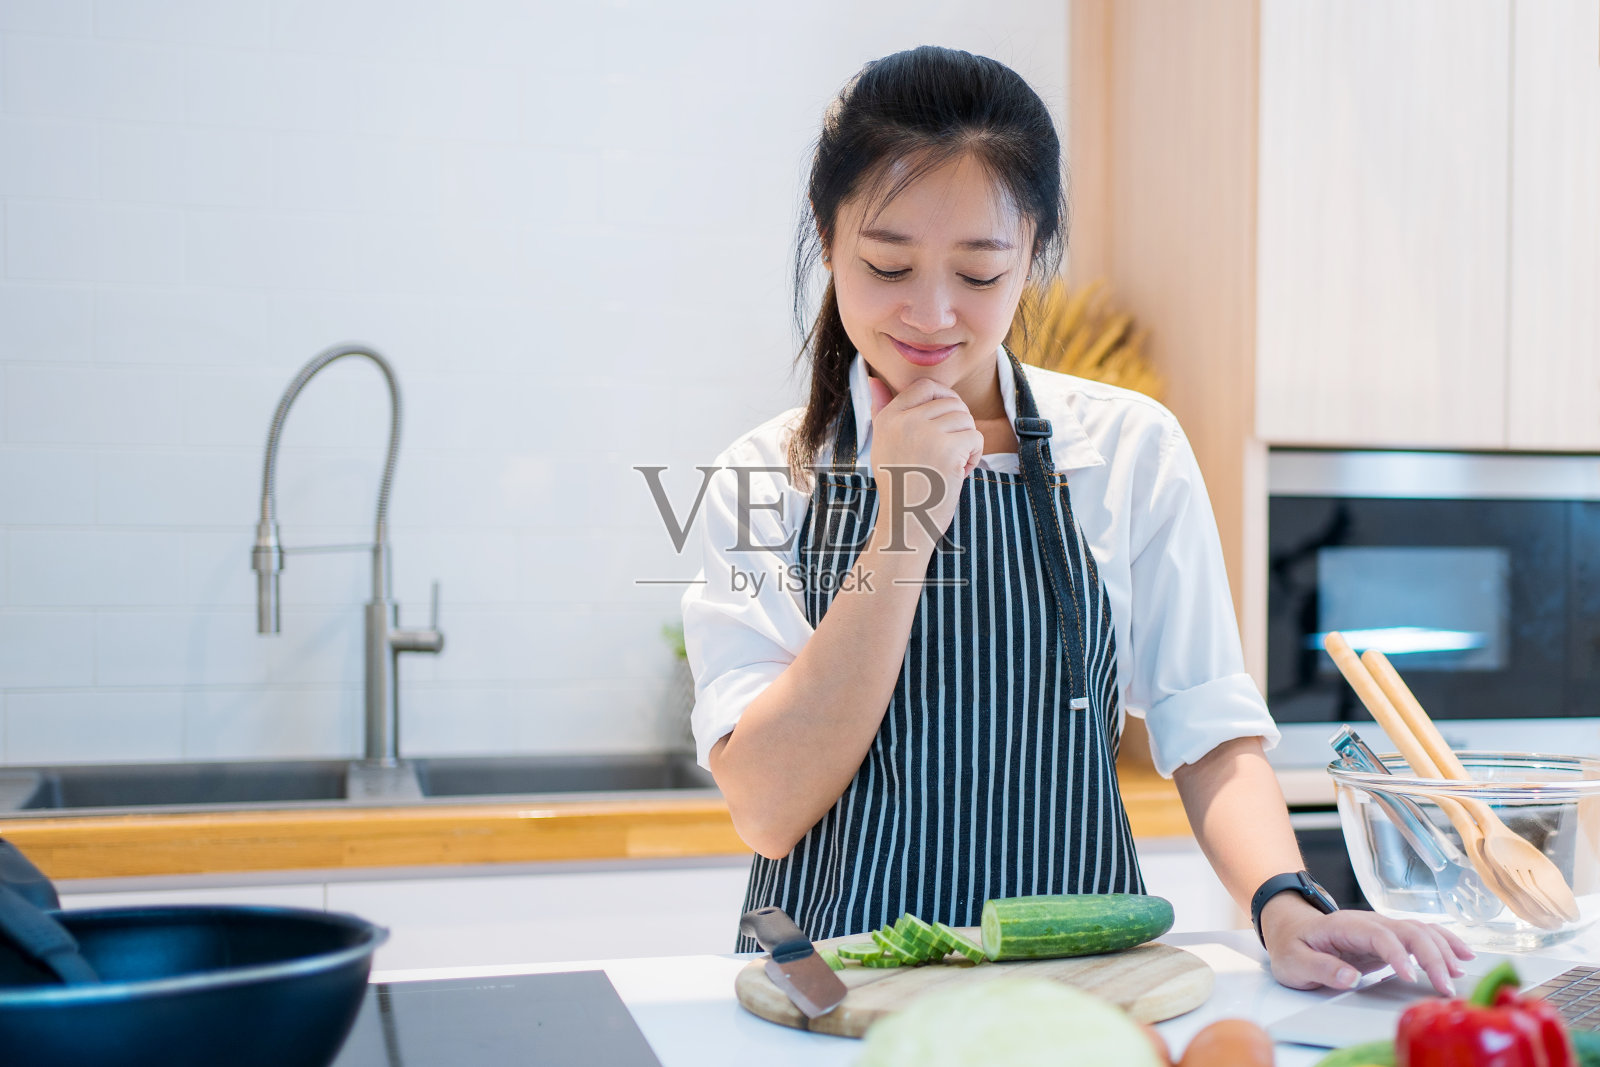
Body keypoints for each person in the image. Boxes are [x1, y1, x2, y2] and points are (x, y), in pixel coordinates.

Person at [679, 45, 1471, 994]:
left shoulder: (1129, 449)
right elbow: (767, 806)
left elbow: (1209, 729)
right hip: (833, 1001)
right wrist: (906, 518)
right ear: (827, 235)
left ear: (1033, 253)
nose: (931, 312)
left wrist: (1286, 902)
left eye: (980, 273)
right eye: (889, 264)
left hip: (1079, 992)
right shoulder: (766, 476)